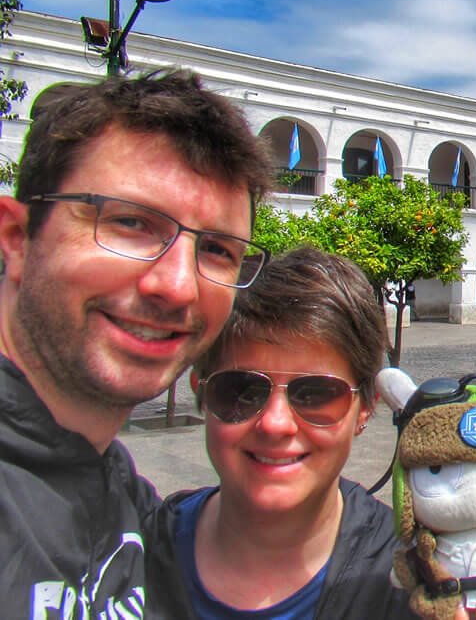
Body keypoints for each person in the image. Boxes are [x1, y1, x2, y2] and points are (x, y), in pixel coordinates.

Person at [0, 70, 275, 617]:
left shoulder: (119, 489)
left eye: (218, 250)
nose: (176, 287)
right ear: (16, 240)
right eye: (130, 223)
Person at [145, 247, 410, 616]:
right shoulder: (133, 557)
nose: (275, 423)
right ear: (202, 392)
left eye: (316, 394)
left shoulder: (411, 581)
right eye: (241, 391)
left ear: (365, 406)